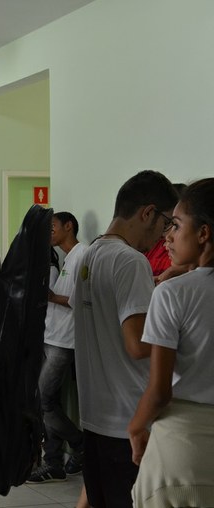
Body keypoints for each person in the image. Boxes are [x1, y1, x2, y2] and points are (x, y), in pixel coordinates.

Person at [70, 170, 177, 508]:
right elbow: (137, 344)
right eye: (165, 223)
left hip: (94, 414)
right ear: (148, 212)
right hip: (126, 420)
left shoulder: (89, 255)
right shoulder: (131, 261)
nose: (164, 235)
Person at [128, 178, 214, 508]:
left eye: (176, 226)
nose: (169, 236)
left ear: (203, 234)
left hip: (184, 447)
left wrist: (136, 427)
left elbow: (160, 391)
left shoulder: (172, 294)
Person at [28, 211, 87, 483]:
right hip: (52, 336)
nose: (48, 232)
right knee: (48, 400)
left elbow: (79, 299)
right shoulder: (66, 258)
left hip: (64, 340)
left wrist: (49, 295)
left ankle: (80, 444)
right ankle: (54, 463)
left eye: (52, 227)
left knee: (43, 399)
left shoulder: (82, 254)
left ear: (68, 226)